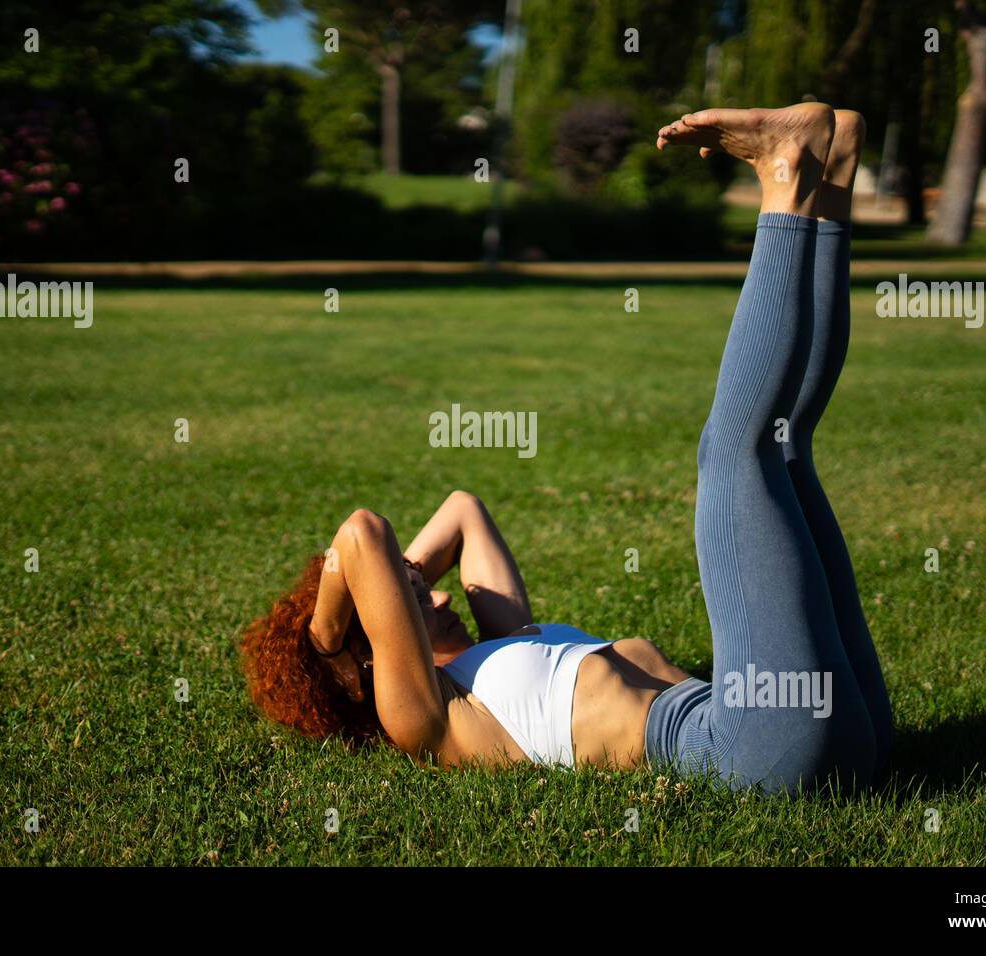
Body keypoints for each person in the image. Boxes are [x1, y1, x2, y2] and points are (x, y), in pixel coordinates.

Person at [241, 103, 893, 795]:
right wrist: (323, 637)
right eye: (409, 589)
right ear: (367, 654)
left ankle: (831, 177)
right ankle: (787, 173)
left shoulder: (509, 641)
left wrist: (400, 586)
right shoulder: (432, 719)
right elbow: (362, 534)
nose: (423, 581)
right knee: (734, 452)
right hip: (749, 749)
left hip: (833, 738)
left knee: (787, 452)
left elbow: (463, 510)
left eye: (416, 579)